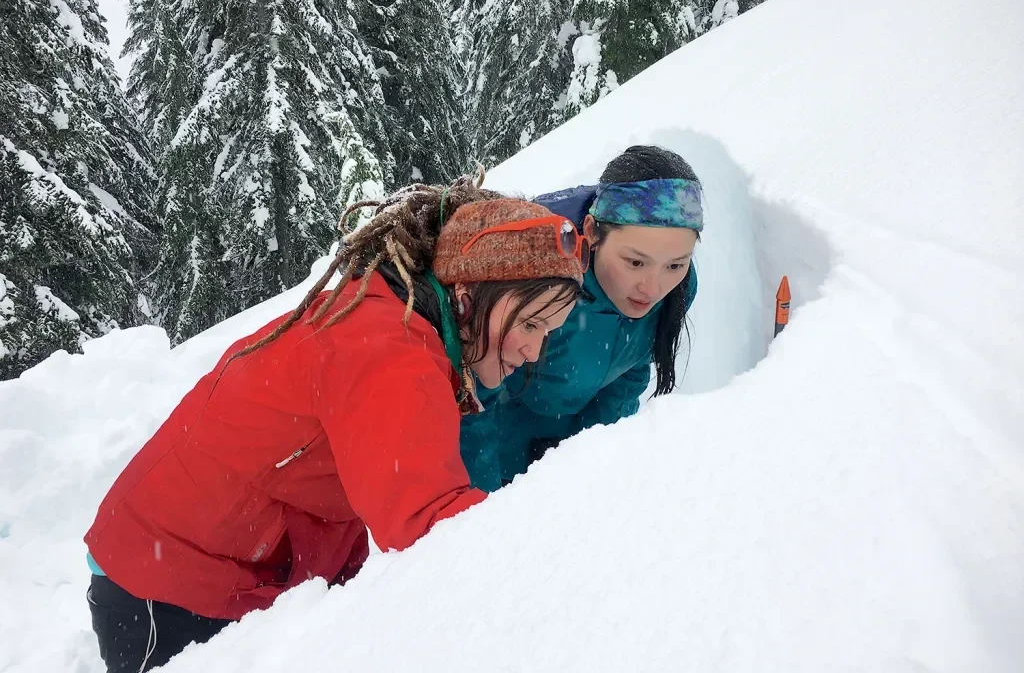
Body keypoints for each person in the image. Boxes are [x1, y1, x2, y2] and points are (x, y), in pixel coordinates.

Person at [83, 172, 587, 671]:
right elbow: (430, 526)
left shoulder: (390, 315)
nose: (533, 349)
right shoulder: (389, 352)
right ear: (466, 296)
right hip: (168, 579)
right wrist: (554, 564)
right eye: (530, 323)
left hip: (213, 559)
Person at [461, 145, 702, 491]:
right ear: (591, 231)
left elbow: (629, 374)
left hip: (572, 453)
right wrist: (485, 502)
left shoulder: (679, 291)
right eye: (635, 262)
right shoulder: (538, 283)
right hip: (502, 450)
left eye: (676, 264)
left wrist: (590, 467)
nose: (652, 287)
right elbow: (475, 396)